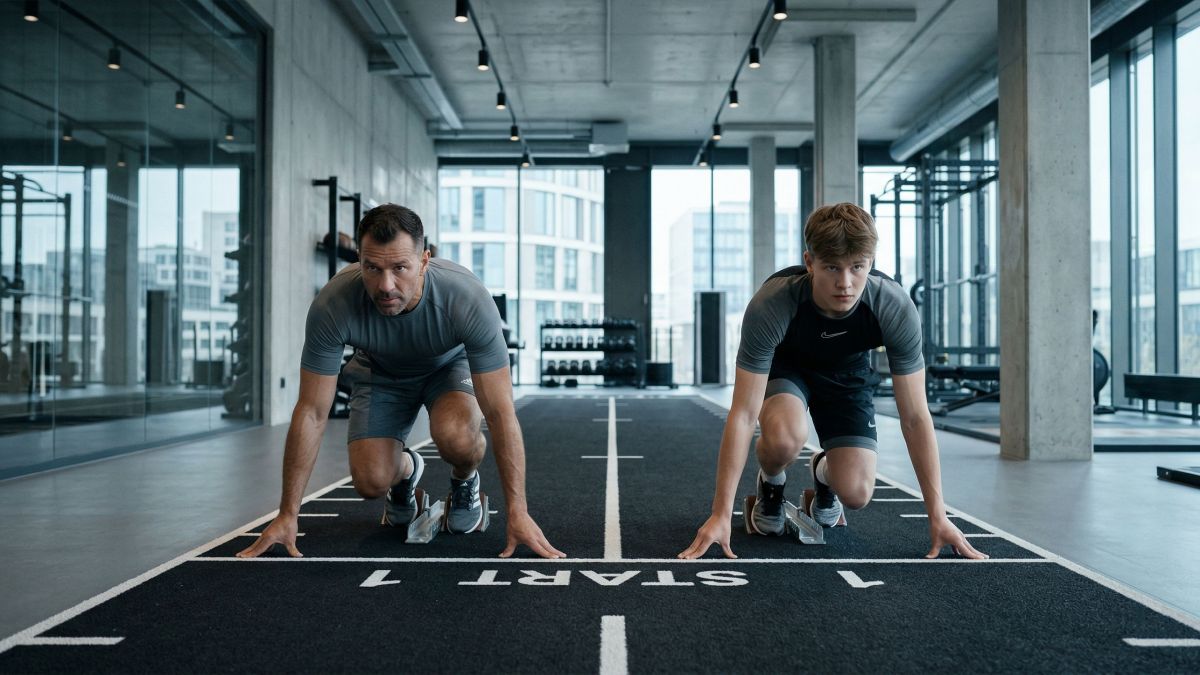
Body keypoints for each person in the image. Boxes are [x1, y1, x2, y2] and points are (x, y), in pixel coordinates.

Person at [239, 204, 564, 559]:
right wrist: (288, 514)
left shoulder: (466, 298)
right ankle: (407, 471)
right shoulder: (334, 305)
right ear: (359, 260)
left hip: (447, 367)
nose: (386, 285)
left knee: (456, 439)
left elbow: (501, 413)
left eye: (400, 268)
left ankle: (465, 479)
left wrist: (518, 511)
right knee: (369, 482)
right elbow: (312, 412)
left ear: (424, 261)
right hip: (381, 372)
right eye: (372, 268)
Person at [679, 202, 986, 560]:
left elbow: (916, 417)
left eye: (857, 267)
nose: (845, 282)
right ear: (809, 262)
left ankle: (824, 475)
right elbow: (744, 415)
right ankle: (772, 482)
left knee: (856, 493)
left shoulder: (893, 307)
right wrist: (720, 513)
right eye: (831, 268)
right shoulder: (772, 304)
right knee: (785, 439)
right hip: (787, 368)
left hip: (847, 374)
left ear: (870, 262)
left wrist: (938, 515)